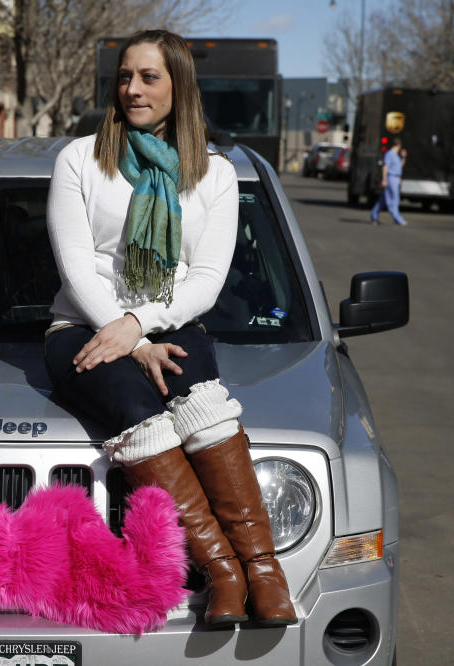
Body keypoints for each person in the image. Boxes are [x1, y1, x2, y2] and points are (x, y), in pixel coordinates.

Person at [43, 29, 296, 629]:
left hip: (169, 320)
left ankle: (265, 572)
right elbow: (76, 266)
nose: (132, 89)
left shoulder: (213, 173)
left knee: (206, 413)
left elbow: (207, 280)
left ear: (179, 87)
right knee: (143, 418)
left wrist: (140, 325)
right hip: (82, 328)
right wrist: (122, 331)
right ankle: (224, 573)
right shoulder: (81, 158)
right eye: (125, 77)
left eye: (149, 77)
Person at [371, 136, 408, 226]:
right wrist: (384, 179)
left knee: (383, 200)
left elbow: (400, 166)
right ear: (398, 145)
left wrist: (403, 157)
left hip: (395, 178)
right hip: (391, 178)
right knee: (393, 199)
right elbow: (385, 167)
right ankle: (397, 218)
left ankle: (374, 215)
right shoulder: (389, 154)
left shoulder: (396, 156)